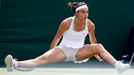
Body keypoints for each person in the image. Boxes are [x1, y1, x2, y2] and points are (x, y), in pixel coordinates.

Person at [4, 2, 130, 73]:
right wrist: (51, 52)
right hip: (63, 50)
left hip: (79, 52)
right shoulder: (66, 22)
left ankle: (118, 65)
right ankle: (14, 64)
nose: (86, 14)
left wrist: (97, 53)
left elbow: (93, 40)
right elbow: (56, 39)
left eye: (87, 12)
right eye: (83, 12)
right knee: (39, 60)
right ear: (77, 13)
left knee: (99, 46)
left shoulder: (90, 24)